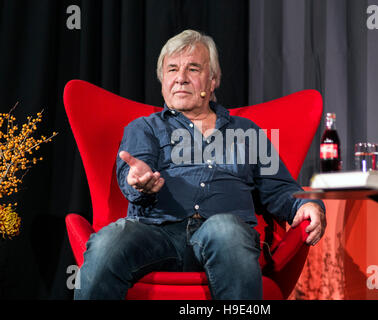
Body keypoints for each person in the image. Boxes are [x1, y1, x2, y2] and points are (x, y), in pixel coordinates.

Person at [74, 29, 326, 300]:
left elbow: (279, 189)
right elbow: (134, 172)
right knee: (109, 240)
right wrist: (140, 182)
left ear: (213, 79)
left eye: (192, 69)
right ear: (162, 81)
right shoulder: (145, 127)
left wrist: (307, 204)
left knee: (226, 229)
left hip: (224, 235)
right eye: (172, 69)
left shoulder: (246, 132)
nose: (180, 78)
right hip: (156, 233)